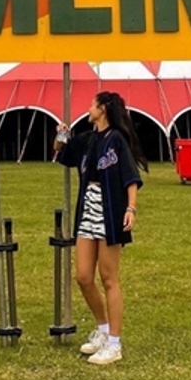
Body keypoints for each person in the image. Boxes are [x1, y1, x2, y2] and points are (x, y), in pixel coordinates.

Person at [54, 91, 147, 365]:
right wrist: (61, 135)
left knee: (109, 277)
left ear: (103, 108)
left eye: (92, 104)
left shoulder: (117, 139)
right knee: (83, 276)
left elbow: (130, 176)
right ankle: (103, 329)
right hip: (87, 211)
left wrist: (131, 208)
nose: (89, 108)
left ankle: (115, 344)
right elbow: (62, 153)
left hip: (110, 210)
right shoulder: (88, 139)